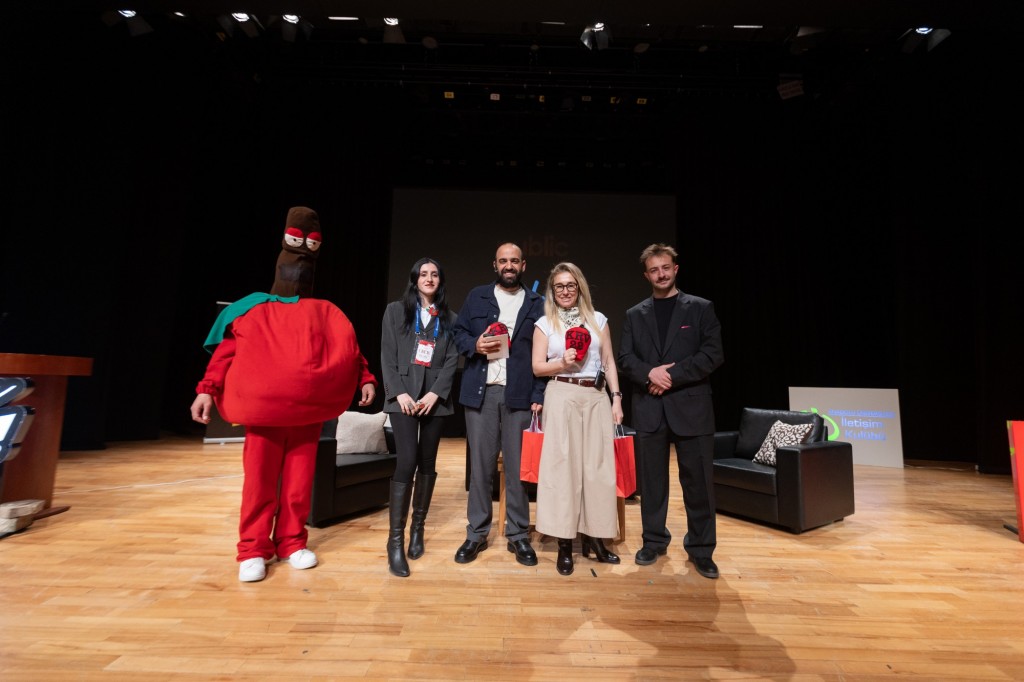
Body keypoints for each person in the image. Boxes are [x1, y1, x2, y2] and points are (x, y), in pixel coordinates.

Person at [190, 206, 377, 583]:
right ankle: (253, 548)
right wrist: (206, 389)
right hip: (266, 417)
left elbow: (348, 350)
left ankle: (291, 542)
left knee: (298, 484)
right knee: (259, 483)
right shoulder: (253, 309)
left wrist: (366, 378)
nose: (298, 270)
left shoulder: (325, 312)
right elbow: (226, 352)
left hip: (306, 415)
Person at [617, 243, 724, 579]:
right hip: (649, 408)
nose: (660, 274)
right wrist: (650, 373)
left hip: (692, 408)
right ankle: (653, 541)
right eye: (654, 270)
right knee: (652, 483)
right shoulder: (634, 314)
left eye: (665, 268)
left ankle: (701, 550)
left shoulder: (701, 308)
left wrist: (669, 377)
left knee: (698, 483)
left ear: (675, 269)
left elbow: (712, 354)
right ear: (646, 275)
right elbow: (625, 359)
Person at [452, 242, 546, 566]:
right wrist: (474, 344)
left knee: (518, 470)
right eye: (503, 261)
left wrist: (538, 395)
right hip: (482, 392)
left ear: (523, 265)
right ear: (495, 265)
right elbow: (458, 333)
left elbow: (544, 352)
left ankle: (518, 535)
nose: (509, 266)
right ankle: (476, 533)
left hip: (519, 394)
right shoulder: (477, 296)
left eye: (514, 261)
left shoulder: (537, 303)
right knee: (481, 468)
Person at [531, 262, 624, 576]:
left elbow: (608, 362)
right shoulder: (545, 324)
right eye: (559, 286)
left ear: (580, 287)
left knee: (597, 471)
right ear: (552, 291)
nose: (565, 291)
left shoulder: (599, 320)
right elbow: (537, 367)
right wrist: (561, 362)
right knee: (563, 470)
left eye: (571, 285)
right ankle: (564, 543)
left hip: (595, 396)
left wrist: (616, 398)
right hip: (562, 394)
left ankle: (596, 538)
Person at [379, 257, 459, 577]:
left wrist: (435, 394)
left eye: (434, 274)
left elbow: (452, 359)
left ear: (440, 281)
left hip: (433, 401)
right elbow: (387, 354)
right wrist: (398, 392)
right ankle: (395, 541)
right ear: (415, 280)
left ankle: (417, 529)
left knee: (427, 462)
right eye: (423, 274)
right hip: (404, 399)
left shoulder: (450, 318)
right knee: (406, 461)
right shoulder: (395, 311)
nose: (429, 279)